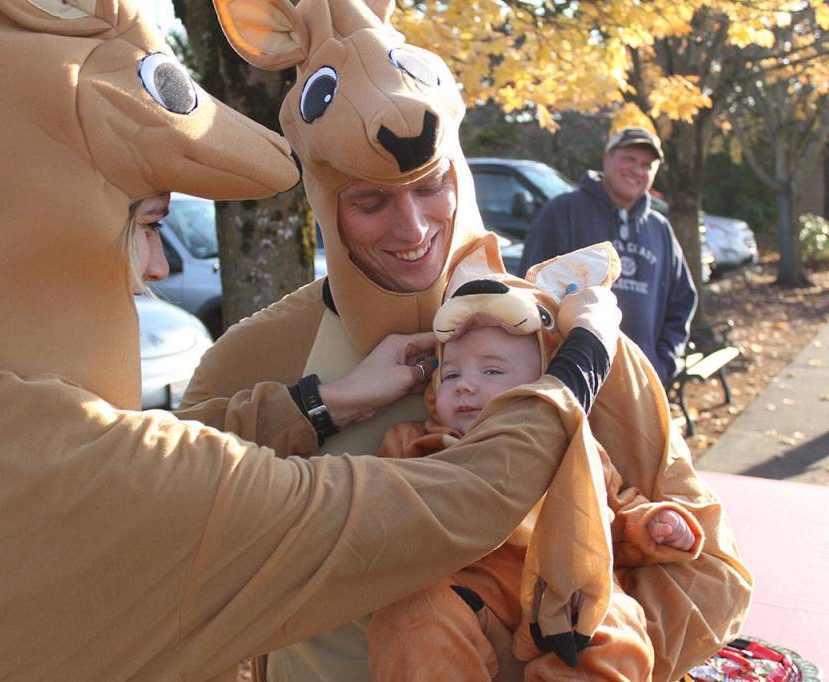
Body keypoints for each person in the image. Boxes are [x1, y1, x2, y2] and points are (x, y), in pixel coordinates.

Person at [0, 0, 625, 680]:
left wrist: (322, 403)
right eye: (151, 226)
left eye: (430, 189)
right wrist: (578, 362)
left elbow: (168, 455)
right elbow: (453, 501)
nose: (158, 268)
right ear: (57, 226)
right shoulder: (95, 465)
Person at [196, 2, 751, 681]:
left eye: (432, 188)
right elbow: (174, 547)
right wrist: (322, 405)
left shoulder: (567, 334)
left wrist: (590, 644)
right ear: (320, 194)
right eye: (369, 202)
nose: (412, 228)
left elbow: (710, 568)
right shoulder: (254, 357)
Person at [366, 244, 707, 681]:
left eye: (492, 372)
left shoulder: (574, 450)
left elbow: (612, 516)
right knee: (414, 615)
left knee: (616, 626)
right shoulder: (412, 442)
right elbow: (378, 511)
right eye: (452, 375)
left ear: (542, 386)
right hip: (470, 591)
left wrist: (654, 525)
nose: (467, 386)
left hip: (566, 594)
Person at [517, 126, 698, 384]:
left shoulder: (660, 229)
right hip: (573, 380)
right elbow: (529, 291)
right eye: (629, 159)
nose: (637, 169)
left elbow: (682, 302)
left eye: (647, 165)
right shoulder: (562, 212)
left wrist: (664, 363)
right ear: (607, 158)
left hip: (640, 383)